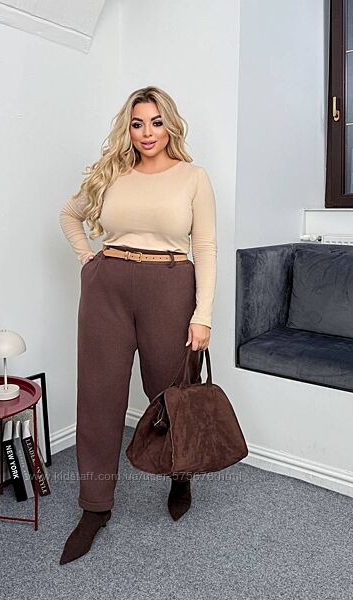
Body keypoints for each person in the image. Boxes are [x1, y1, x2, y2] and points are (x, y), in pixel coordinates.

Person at [58, 85, 217, 564]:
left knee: (171, 394)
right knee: (98, 396)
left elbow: (205, 247)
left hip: (170, 285)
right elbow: (69, 215)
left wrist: (203, 314)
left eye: (156, 122)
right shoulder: (111, 173)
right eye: (137, 123)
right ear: (127, 129)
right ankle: (95, 506)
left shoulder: (193, 177)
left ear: (170, 125)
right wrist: (88, 259)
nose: (147, 132)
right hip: (107, 287)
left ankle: (180, 475)